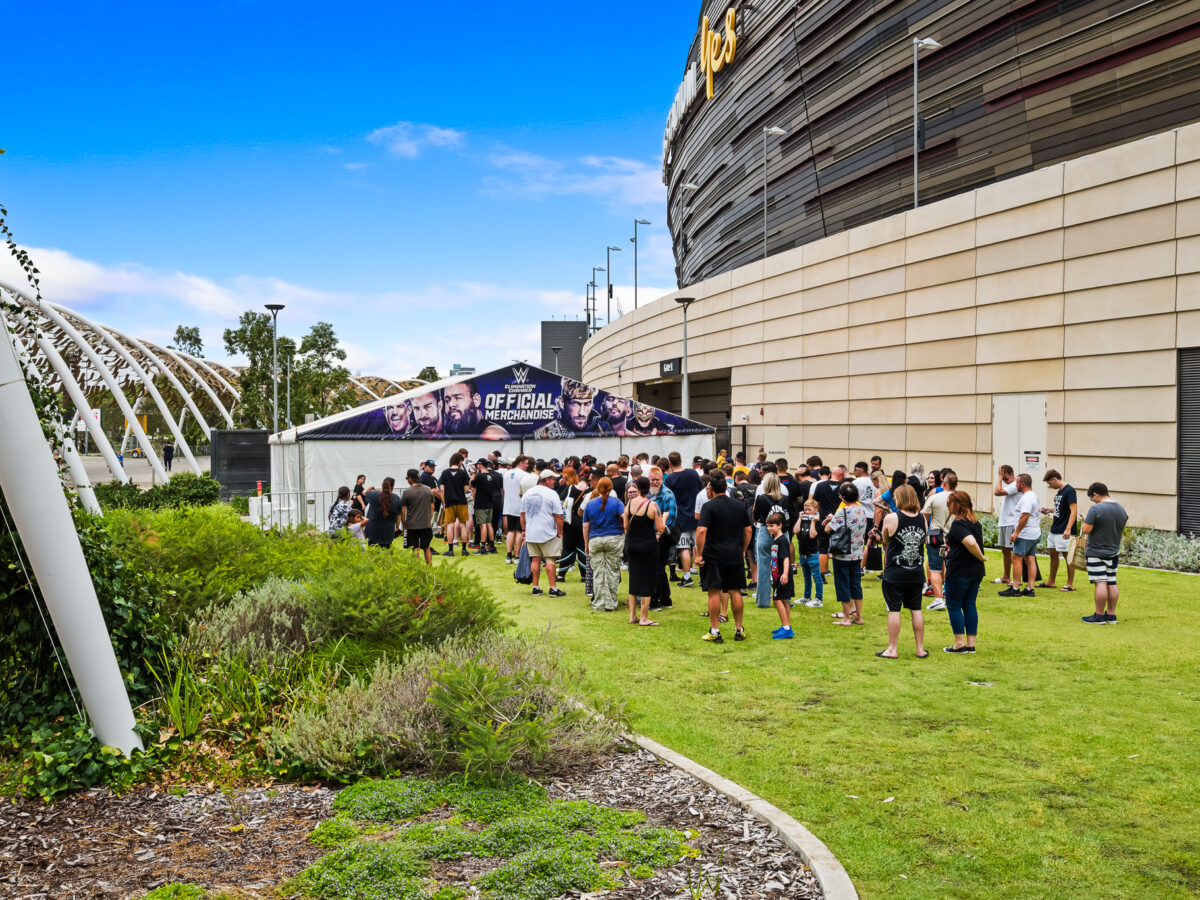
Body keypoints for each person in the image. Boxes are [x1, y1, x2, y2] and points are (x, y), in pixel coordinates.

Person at [696, 474, 752, 644]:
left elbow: (701, 531)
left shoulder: (708, 506)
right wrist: (742, 550)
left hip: (713, 554)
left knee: (714, 591)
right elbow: (748, 530)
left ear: (711, 488)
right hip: (734, 553)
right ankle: (739, 629)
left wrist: (699, 554)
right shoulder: (739, 505)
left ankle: (715, 630)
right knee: (735, 591)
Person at [876, 484, 929, 658]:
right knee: (916, 609)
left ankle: (892, 649)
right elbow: (923, 540)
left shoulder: (891, 518)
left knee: (894, 610)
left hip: (895, 572)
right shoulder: (922, 519)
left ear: (899, 498)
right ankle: (920, 649)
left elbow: (885, 539)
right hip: (916, 572)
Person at [942, 491, 987, 652]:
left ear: (956, 505)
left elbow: (971, 542)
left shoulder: (959, 524)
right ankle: (970, 644)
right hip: (976, 571)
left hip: (959, 570)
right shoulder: (975, 523)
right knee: (969, 604)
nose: (948, 506)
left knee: (954, 605)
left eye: (949, 504)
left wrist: (981, 556)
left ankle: (959, 643)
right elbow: (979, 541)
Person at [1081, 483, 1128, 624]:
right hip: (1113, 551)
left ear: (1096, 494)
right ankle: (1111, 614)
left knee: (1100, 582)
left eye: (1092, 498)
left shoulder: (1096, 509)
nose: (1093, 501)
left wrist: (1085, 520)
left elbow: (1086, 530)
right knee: (1112, 582)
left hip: (1096, 551)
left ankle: (1099, 615)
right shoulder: (1120, 509)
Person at [826, 481, 871, 626]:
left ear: (842, 497)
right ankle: (858, 616)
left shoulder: (843, 511)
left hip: (842, 554)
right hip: (857, 553)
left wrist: (831, 520)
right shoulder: (862, 510)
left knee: (843, 585)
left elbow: (828, 529)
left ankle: (846, 617)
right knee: (856, 585)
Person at [622, 476, 665, 624]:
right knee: (648, 579)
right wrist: (664, 518)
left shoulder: (629, 504)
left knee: (634, 579)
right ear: (649, 488)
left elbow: (626, 526)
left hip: (632, 545)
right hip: (648, 545)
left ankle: (632, 616)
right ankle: (644, 617)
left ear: (638, 489)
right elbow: (660, 528)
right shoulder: (652, 505)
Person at [581, 475, 625, 613]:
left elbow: (585, 526)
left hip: (595, 539)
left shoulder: (590, 504)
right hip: (614, 538)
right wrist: (625, 531)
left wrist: (586, 544)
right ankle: (611, 603)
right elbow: (624, 517)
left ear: (598, 488)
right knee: (612, 572)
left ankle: (599, 604)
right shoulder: (617, 503)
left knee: (598, 572)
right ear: (611, 488)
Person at [521, 469, 566, 597]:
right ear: (546, 480)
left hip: (532, 532)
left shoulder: (528, 493)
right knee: (550, 559)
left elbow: (522, 514)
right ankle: (553, 588)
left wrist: (524, 530)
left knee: (535, 559)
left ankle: (535, 587)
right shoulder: (552, 494)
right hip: (548, 532)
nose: (555, 481)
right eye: (553, 479)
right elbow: (558, 516)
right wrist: (560, 532)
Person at [665, 451, 703, 588]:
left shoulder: (670, 479)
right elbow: (701, 491)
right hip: (697, 514)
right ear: (681, 460)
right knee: (700, 547)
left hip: (680, 518)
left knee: (684, 547)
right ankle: (704, 577)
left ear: (670, 463)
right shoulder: (693, 474)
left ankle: (687, 577)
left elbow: (668, 499)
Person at [921, 471, 957, 611]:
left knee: (935, 569)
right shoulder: (960, 498)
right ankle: (949, 598)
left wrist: (926, 533)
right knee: (951, 569)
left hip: (936, 538)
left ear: (944, 483)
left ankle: (938, 599)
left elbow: (924, 516)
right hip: (955, 539)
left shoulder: (934, 497)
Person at [753, 473, 789, 609]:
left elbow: (756, 515)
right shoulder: (786, 498)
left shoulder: (761, 498)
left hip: (765, 530)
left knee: (763, 566)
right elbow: (789, 515)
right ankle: (785, 599)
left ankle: (763, 601)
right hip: (782, 531)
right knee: (783, 565)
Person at [1001, 474, 1040, 597]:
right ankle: (1030, 588)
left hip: (1025, 534)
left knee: (1016, 558)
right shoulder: (1033, 495)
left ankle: (1015, 588)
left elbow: (1024, 516)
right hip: (1034, 533)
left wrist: (1016, 532)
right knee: (1030, 559)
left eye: (1017, 483)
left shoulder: (1027, 498)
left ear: (1022, 484)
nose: (1015, 485)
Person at [1041, 470, 1079, 591]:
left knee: (1068, 557)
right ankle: (1051, 581)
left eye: (1049, 483)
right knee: (1053, 554)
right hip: (1055, 528)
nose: (1049, 486)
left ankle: (1070, 584)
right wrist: (1049, 510)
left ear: (1054, 479)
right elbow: (1061, 508)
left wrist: (1068, 529)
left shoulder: (1070, 490)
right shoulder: (1060, 492)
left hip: (1064, 530)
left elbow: (1074, 511)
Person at [648, 467, 677, 611]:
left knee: (657, 568)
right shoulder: (647, 493)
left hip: (663, 536)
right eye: (652, 479)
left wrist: (659, 533)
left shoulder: (668, 494)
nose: (654, 482)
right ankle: (666, 599)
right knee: (659, 567)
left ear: (662, 479)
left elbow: (671, 517)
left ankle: (655, 600)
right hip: (650, 535)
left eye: (657, 480)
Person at [442, 379, 510, 439]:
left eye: (458, 398)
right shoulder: (455, 433)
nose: (451, 404)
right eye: (447, 400)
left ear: (476, 400)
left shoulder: (491, 434)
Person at [766, 513, 794, 639]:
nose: (769, 528)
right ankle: (786, 625)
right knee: (784, 600)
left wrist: (785, 574)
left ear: (780, 525)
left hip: (782, 577)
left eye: (772, 526)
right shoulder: (776, 540)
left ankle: (786, 628)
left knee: (777, 600)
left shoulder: (782, 541)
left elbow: (786, 558)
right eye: (768, 526)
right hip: (777, 576)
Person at [438, 453, 472, 557]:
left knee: (450, 525)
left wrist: (443, 502)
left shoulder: (444, 473)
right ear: (459, 461)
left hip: (449, 502)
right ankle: (464, 550)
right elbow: (466, 489)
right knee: (462, 525)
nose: (462, 463)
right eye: (462, 461)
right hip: (461, 502)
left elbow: (442, 489)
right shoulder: (463, 473)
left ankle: (450, 550)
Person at [993, 465, 1021, 586]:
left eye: (1006, 478)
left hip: (1012, 522)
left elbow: (997, 492)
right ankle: (1006, 577)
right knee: (1005, 550)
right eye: (1002, 479)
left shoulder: (1016, 485)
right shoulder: (1009, 486)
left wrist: (999, 477)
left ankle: (1017, 578)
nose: (1004, 481)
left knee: (1015, 552)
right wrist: (1001, 478)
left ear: (1012, 474)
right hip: (1004, 522)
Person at [559, 466, 588, 581]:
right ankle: (584, 576)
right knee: (583, 548)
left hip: (570, 521)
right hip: (585, 521)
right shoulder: (590, 490)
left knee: (568, 547)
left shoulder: (570, 488)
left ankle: (561, 575)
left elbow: (561, 501)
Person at [794, 497, 823, 607]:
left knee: (816, 577)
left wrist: (813, 522)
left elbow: (812, 535)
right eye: (805, 509)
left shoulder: (817, 521)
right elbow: (795, 530)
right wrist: (800, 518)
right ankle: (807, 596)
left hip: (812, 554)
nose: (806, 512)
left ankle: (819, 599)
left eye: (809, 509)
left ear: (815, 510)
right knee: (806, 577)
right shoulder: (803, 519)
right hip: (803, 553)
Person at [502, 456, 529, 563]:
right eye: (526, 463)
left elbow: (504, 490)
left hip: (509, 506)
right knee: (519, 531)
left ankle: (508, 556)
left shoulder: (507, 474)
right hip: (520, 507)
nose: (527, 465)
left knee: (510, 531)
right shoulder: (525, 475)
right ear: (521, 463)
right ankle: (517, 556)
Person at [362, 477, 400, 549]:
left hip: (373, 531)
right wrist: (397, 527)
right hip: (388, 532)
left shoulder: (374, 494)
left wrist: (371, 487)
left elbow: (364, 492)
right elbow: (399, 515)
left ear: (382, 485)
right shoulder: (397, 498)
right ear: (392, 487)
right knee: (386, 552)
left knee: (373, 553)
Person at [471, 459, 497, 555]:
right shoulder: (492, 476)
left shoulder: (479, 476)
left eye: (477, 465)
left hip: (481, 504)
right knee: (489, 524)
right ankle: (492, 546)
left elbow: (472, 484)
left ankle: (482, 547)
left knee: (482, 525)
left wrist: (473, 474)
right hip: (489, 503)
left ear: (480, 465)